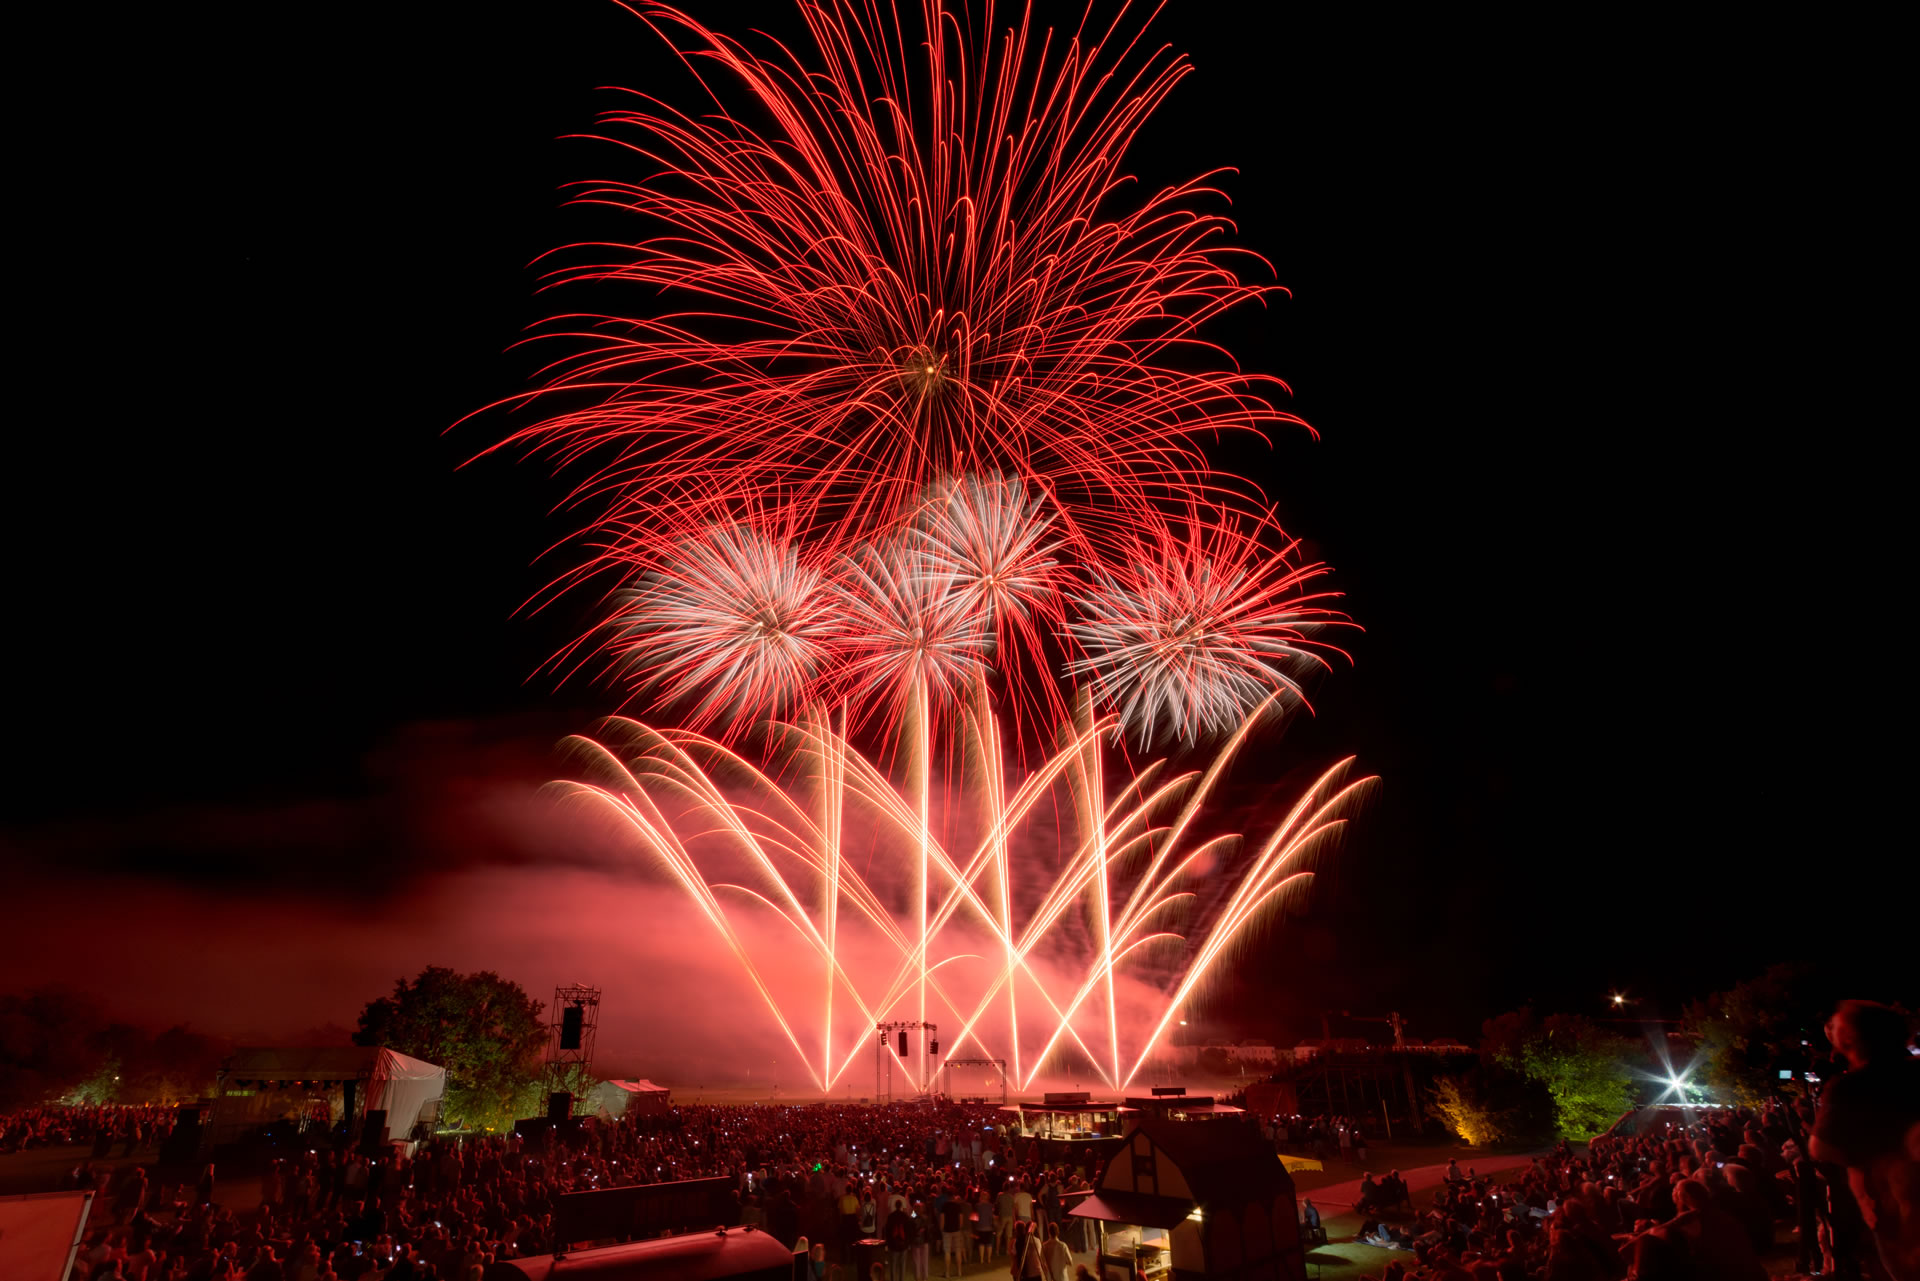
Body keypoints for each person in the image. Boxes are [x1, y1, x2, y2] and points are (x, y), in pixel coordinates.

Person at [1811, 999, 1920, 1280]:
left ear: (1851, 1036)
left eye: (1838, 1024)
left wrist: (1872, 1155)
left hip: (1895, 1210)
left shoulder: (1848, 1088)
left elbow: (1821, 1148)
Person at [939, 1191, 967, 1277]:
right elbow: (961, 1220)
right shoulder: (958, 1206)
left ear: (947, 1197)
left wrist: (942, 1229)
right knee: (958, 1251)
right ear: (954, 1197)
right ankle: (959, 1272)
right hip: (957, 1230)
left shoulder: (944, 1206)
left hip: (947, 1231)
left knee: (947, 1252)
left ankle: (947, 1273)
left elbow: (942, 1219)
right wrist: (959, 1227)